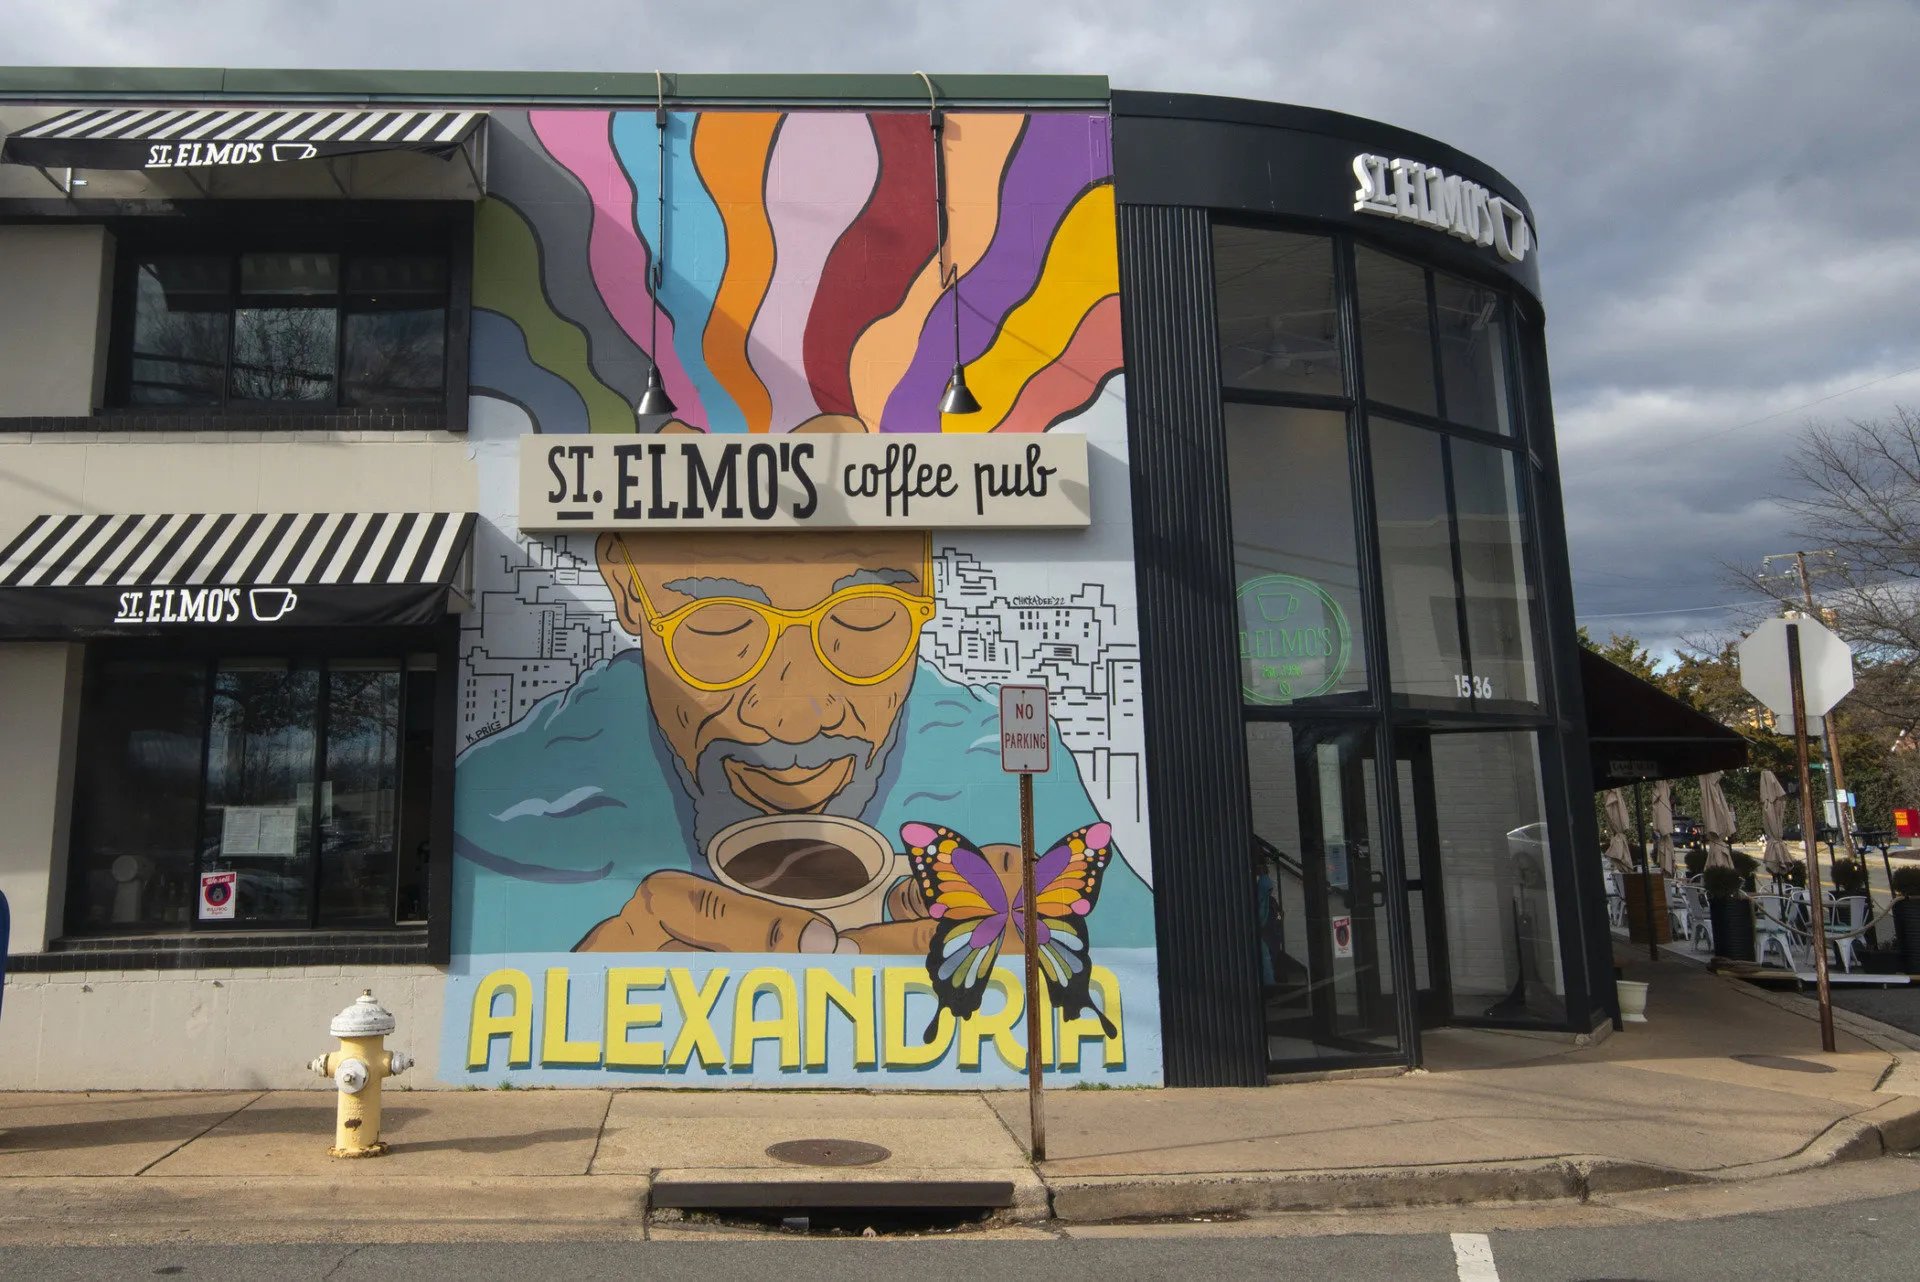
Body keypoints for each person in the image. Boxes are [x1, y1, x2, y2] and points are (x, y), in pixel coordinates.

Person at [453, 526, 1153, 956]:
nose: (794, 717)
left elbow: (1140, 949)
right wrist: (591, 999)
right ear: (626, 588)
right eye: (720, 626)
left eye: (866, 619)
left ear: (930, 576)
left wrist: (1048, 965)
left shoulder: (1010, 770)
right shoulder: (506, 813)